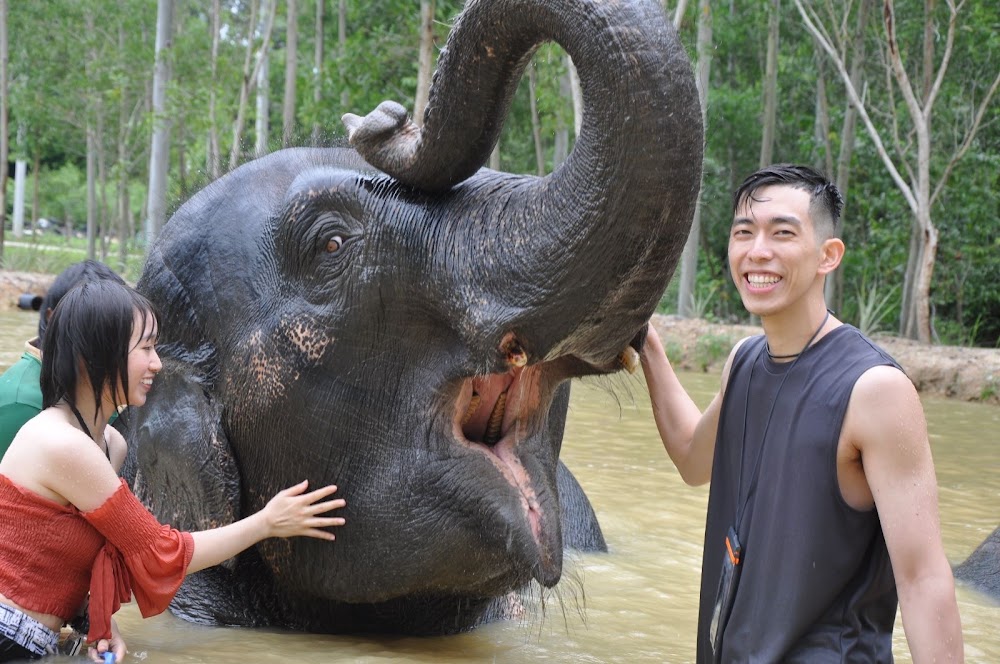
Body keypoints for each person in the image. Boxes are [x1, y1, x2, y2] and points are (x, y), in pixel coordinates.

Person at [641, 164, 963, 662]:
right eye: (743, 233)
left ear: (827, 256)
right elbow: (691, 457)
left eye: (782, 233)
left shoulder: (874, 389)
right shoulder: (744, 363)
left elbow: (923, 578)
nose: (757, 251)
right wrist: (645, 343)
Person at [0, 280, 347, 662]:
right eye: (145, 348)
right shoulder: (62, 444)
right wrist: (266, 522)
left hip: (34, 643)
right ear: (95, 357)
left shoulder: (111, 443)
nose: (157, 363)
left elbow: (80, 561)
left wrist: (99, 624)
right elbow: (160, 553)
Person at [0, 260, 126, 457]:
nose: (110, 337)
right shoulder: (22, 404)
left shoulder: (102, 383)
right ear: (54, 318)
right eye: (95, 323)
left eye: (117, 324)